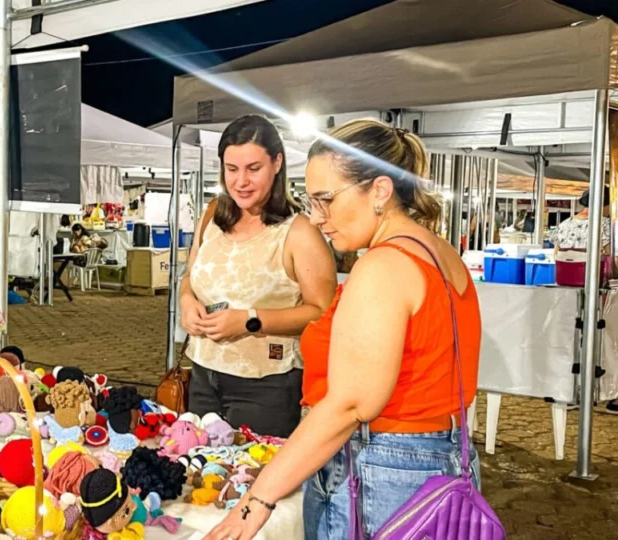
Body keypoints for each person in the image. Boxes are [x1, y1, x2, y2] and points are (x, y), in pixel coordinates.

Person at [204, 120, 483, 540]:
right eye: (311, 201)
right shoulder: (439, 252)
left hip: (383, 468)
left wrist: (257, 500)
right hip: (438, 457)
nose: (317, 218)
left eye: (326, 200)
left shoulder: (383, 266)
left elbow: (351, 405)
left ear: (380, 191)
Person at [180, 115, 337, 438]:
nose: (241, 182)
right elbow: (190, 276)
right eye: (231, 169)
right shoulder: (212, 215)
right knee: (199, 475)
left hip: (267, 385)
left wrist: (250, 320)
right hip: (203, 374)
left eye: (254, 169)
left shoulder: (298, 232)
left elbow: (322, 311)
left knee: (256, 480)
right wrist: (186, 301)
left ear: (277, 163)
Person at [551, 186, 618, 414]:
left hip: (568, 292)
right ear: (606, 204)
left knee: (575, 341)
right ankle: (610, 394)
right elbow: (613, 260)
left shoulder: (565, 224)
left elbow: (556, 254)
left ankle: (574, 392)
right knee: (607, 342)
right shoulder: (607, 226)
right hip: (600, 292)